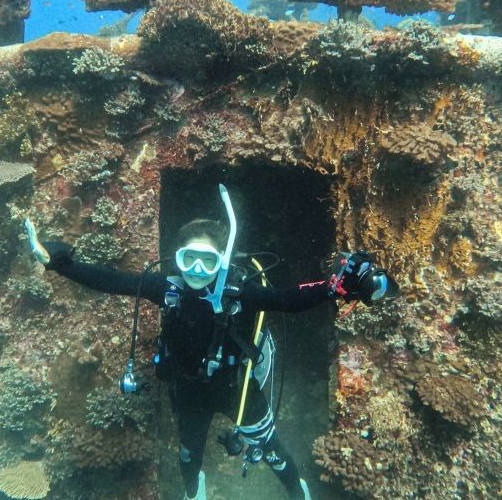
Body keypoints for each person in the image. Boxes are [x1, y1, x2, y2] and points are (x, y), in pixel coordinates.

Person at [24, 188, 397, 500]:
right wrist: (58, 262)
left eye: (207, 262)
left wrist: (332, 288)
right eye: (189, 260)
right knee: (188, 458)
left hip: (237, 389)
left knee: (273, 452)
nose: (197, 271)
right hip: (188, 392)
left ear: (222, 263)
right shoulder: (167, 289)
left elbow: (286, 299)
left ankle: (297, 492)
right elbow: (111, 280)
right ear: (177, 259)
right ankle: (195, 492)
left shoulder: (239, 291)